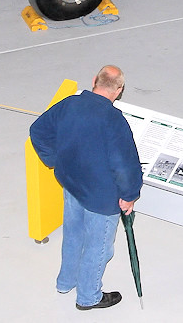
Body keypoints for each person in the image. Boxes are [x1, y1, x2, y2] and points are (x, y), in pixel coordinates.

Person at [30, 65, 143, 311]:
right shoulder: (114, 120)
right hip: (101, 197)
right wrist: (129, 195)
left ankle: (65, 281)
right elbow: (124, 165)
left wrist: (54, 159)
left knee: (73, 234)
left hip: (72, 184)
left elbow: (38, 130)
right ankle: (89, 296)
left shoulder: (69, 104)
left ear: (94, 81)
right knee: (99, 245)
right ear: (119, 90)